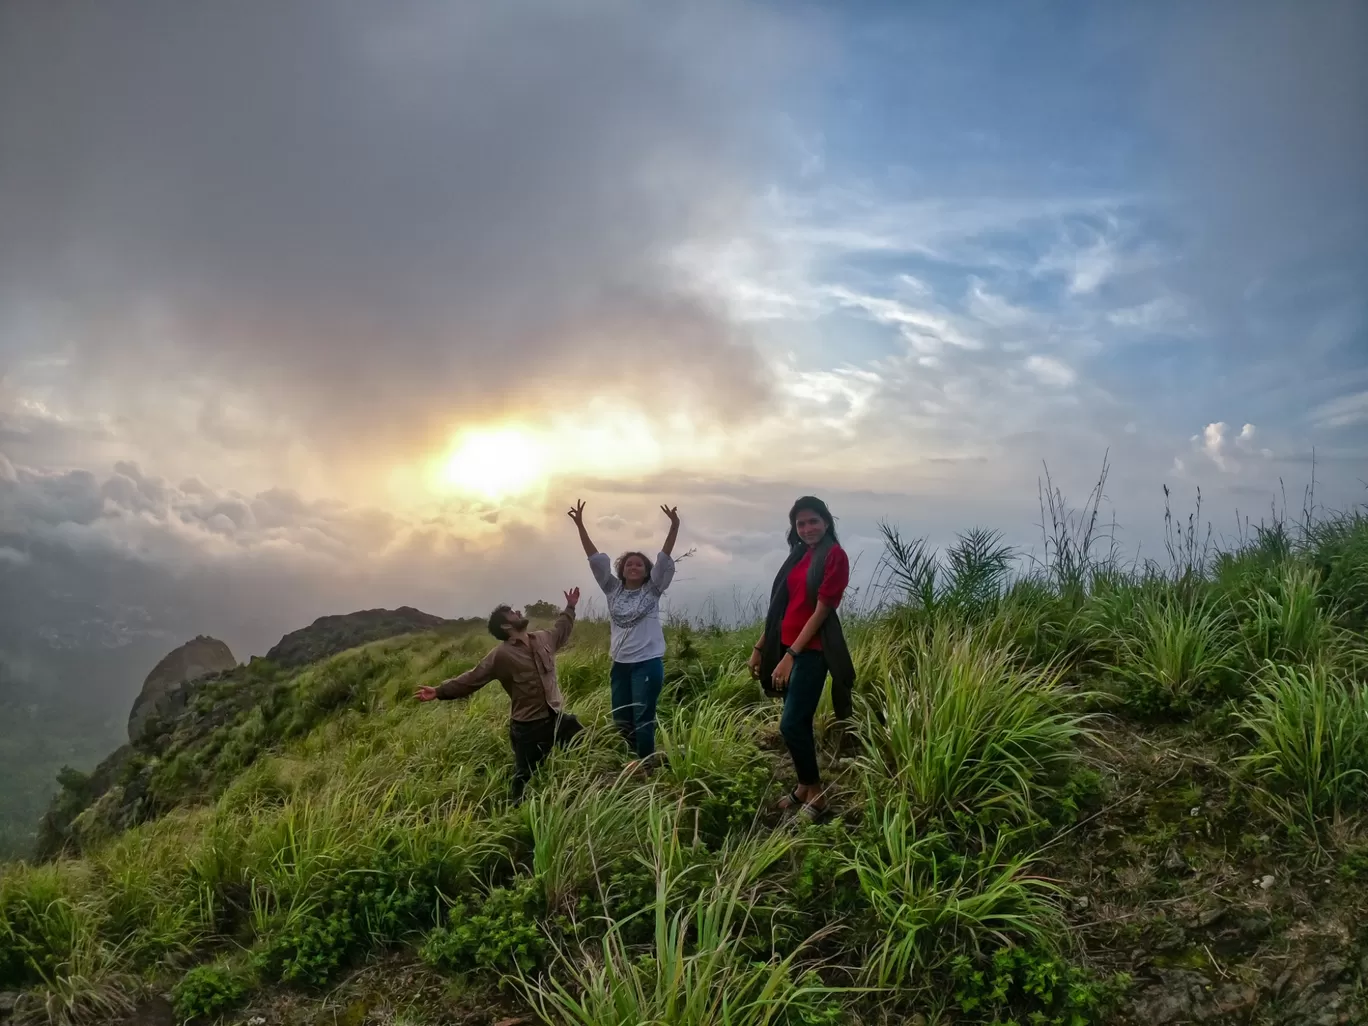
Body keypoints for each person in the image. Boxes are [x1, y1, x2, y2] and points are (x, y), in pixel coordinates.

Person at [414, 589, 582, 800]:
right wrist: (439, 691)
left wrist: (570, 607)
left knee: (581, 740)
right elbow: (472, 678)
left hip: (555, 717)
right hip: (528, 727)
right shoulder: (501, 655)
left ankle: (579, 789)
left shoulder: (543, 638)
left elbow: (561, 630)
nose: (518, 612)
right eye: (512, 613)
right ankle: (516, 815)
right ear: (505, 626)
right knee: (525, 778)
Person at [747, 496, 855, 822]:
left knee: (791, 723)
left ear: (826, 522)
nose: (807, 528)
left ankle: (816, 794)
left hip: (812, 651)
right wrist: (761, 646)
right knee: (800, 722)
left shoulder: (834, 556)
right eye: (801, 523)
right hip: (784, 645)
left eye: (813, 521)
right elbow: (782, 607)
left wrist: (791, 654)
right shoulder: (799, 555)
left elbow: (822, 611)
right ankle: (804, 787)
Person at [568, 499, 679, 772]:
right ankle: (638, 759)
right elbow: (595, 561)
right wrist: (581, 525)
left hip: (647, 663)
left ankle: (645, 766)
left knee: (643, 714)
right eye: (629, 563)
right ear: (622, 568)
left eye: (639, 565)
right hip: (620, 665)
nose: (633, 567)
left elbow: (664, 560)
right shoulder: (612, 589)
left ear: (646, 571)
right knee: (621, 717)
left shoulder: (652, 590)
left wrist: (674, 527)